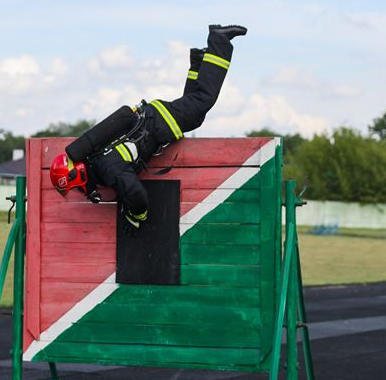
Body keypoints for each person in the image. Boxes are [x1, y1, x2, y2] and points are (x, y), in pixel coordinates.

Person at [50, 24, 247, 235]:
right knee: (195, 114)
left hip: (160, 123)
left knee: (203, 100)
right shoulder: (97, 160)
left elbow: (137, 194)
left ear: (75, 176)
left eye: (76, 187)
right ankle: (198, 61)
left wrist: (136, 215)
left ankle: (220, 41)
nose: (79, 190)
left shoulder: (107, 169)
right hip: (154, 116)